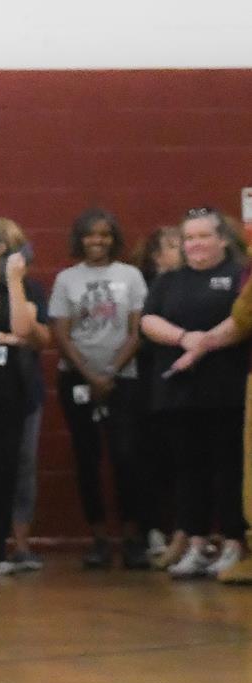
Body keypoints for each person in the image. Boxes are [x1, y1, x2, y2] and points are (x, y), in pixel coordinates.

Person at [140, 209, 250, 578]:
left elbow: (242, 320)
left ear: (222, 240)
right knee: (189, 469)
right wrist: (184, 339)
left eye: (203, 237)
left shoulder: (238, 276)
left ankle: (234, 541)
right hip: (178, 392)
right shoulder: (169, 281)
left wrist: (203, 346)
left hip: (225, 390)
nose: (195, 245)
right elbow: (148, 321)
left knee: (228, 466)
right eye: (189, 238)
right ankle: (197, 543)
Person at [48, 209, 150, 570]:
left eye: (105, 235)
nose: (98, 241)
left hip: (124, 378)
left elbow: (138, 330)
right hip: (77, 378)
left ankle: (134, 536)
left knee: (126, 455)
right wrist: (90, 375)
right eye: (91, 235)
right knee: (86, 458)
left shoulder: (131, 276)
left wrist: (111, 372)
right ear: (80, 239)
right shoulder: (66, 280)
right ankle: (99, 538)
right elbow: (60, 332)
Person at [0, 218, 50, 578]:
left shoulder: (27, 287)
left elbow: (34, 333)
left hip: (21, 386)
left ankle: (19, 543)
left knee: (22, 464)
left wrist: (16, 334)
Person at [134, 225, 185, 565]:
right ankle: (153, 529)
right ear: (155, 256)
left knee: (187, 462)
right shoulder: (151, 288)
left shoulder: (196, 285)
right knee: (150, 459)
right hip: (151, 383)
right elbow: (142, 331)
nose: (179, 249)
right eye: (171, 245)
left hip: (189, 382)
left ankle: (188, 532)